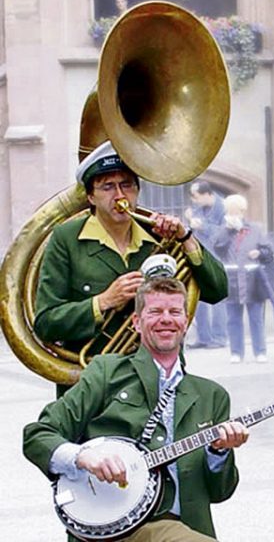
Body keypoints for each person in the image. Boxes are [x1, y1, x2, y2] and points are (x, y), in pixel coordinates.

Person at [23, 274, 248, 541]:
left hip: (179, 527)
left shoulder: (212, 395)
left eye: (175, 311)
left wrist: (219, 452)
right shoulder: (107, 372)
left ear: (185, 323)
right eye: (155, 311)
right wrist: (81, 456)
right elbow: (38, 434)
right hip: (109, 526)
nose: (166, 319)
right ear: (137, 323)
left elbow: (220, 492)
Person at [34, 141, 228, 395]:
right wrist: (102, 302)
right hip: (93, 390)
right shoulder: (66, 239)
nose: (119, 195)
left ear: (137, 190)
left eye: (126, 185)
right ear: (90, 196)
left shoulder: (160, 235)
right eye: (107, 187)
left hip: (159, 383)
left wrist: (186, 237)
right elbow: (46, 323)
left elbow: (218, 290)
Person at [214, 194, 274, 363]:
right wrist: (228, 231)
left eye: (236, 211)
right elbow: (218, 249)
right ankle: (236, 352)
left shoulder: (255, 229)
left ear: (242, 211)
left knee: (256, 318)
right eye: (230, 212)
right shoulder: (223, 230)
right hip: (232, 280)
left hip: (252, 279)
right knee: (233, 318)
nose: (233, 215)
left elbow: (269, 252)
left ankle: (260, 351)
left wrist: (259, 253)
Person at [184, 180, 228, 349]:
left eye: (195, 196)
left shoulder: (223, 207)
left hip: (218, 257)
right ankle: (204, 337)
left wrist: (202, 225)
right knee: (199, 295)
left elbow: (223, 236)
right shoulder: (197, 208)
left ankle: (219, 337)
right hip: (200, 255)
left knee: (217, 298)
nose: (193, 200)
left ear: (207, 195)